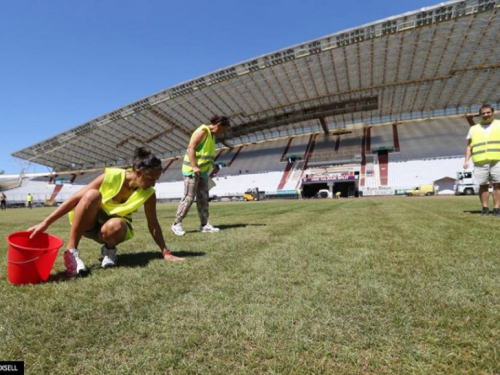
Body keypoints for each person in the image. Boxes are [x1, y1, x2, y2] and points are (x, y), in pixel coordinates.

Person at [27, 147, 184, 277]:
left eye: (156, 180)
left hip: (109, 230)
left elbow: (153, 223)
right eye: (150, 178)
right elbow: (76, 199)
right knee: (92, 195)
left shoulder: (149, 193)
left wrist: (165, 252)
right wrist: (46, 222)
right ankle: (71, 252)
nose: (153, 184)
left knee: (117, 224)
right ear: (137, 172)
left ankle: (109, 250)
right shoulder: (112, 176)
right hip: (88, 223)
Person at [171, 115, 231, 236]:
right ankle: (177, 223)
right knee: (189, 197)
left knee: (203, 198)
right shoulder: (203, 131)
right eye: (223, 129)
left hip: (202, 172)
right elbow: (191, 148)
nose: (223, 132)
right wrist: (194, 166)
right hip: (192, 170)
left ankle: (204, 225)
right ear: (218, 125)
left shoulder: (212, 135)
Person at [464, 104, 500, 216]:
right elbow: (469, 146)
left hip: (497, 160)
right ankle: (485, 208)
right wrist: (466, 160)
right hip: (480, 161)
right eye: (483, 113)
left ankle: (496, 209)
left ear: (492, 112)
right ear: (480, 115)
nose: (486, 115)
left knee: (498, 185)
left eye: (488, 112)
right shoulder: (473, 129)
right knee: (483, 185)